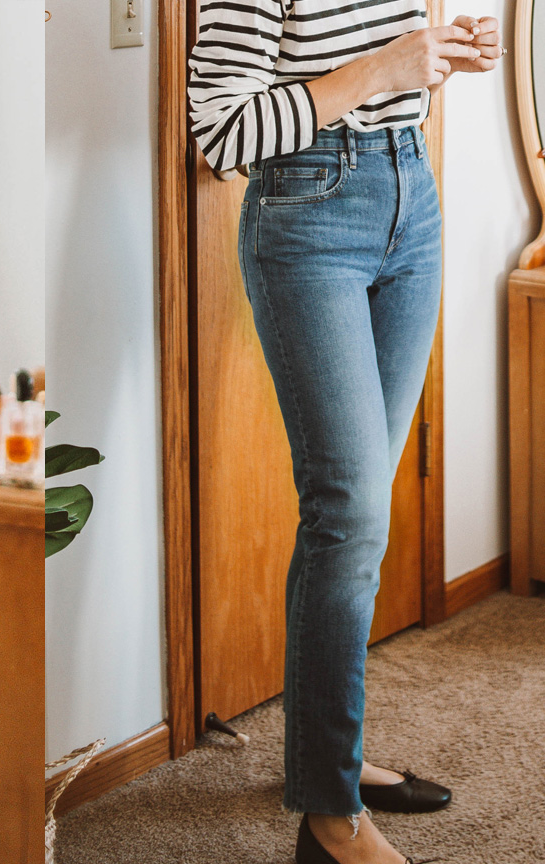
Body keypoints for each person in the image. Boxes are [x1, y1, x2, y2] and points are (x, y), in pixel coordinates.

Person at [187, 4, 501, 864]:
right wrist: (381, 71)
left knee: (353, 522)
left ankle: (332, 757)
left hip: (413, 197)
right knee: (350, 515)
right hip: (308, 214)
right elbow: (221, 131)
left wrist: (440, 57)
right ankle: (328, 817)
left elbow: (392, 74)